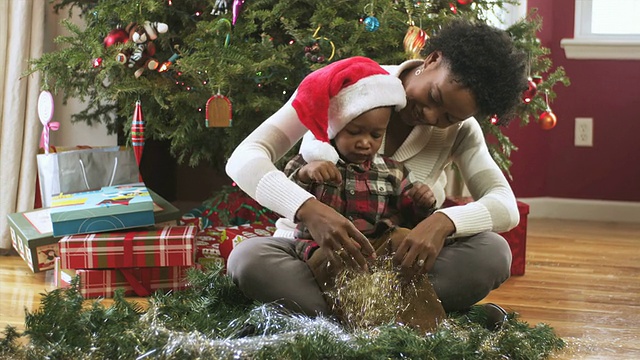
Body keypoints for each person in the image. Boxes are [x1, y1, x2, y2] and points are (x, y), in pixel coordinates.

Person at [225, 19, 528, 320]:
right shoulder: (348, 82)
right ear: (432, 60)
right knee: (247, 260)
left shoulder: (462, 131)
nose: (431, 116)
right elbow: (244, 157)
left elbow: (504, 204)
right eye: (434, 97)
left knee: (494, 253)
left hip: (400, 264)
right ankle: (419, 317)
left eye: (448, 116)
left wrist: (443, 222)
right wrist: (308, 209)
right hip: (313, 256)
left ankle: (343, 320)